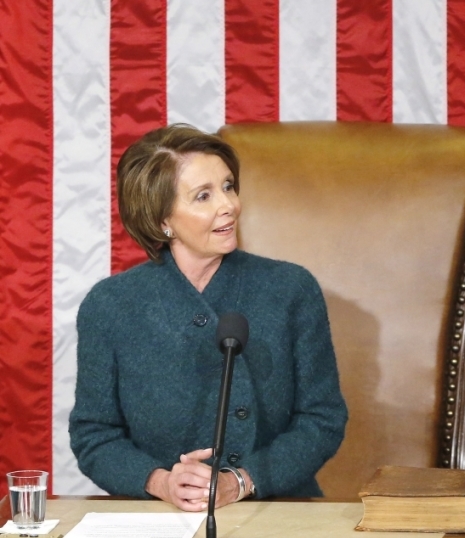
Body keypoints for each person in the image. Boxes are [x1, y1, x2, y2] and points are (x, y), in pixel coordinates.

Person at [69, 124, 348, 511]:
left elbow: (323, 419)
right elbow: (94, 436)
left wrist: (242, 482)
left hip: (278, 509)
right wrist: (162, 482)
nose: (229, 205)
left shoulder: (290, 289)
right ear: (162, 218)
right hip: (160, 519)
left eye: (229, 186)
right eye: (204, 195)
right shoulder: (110, 306)